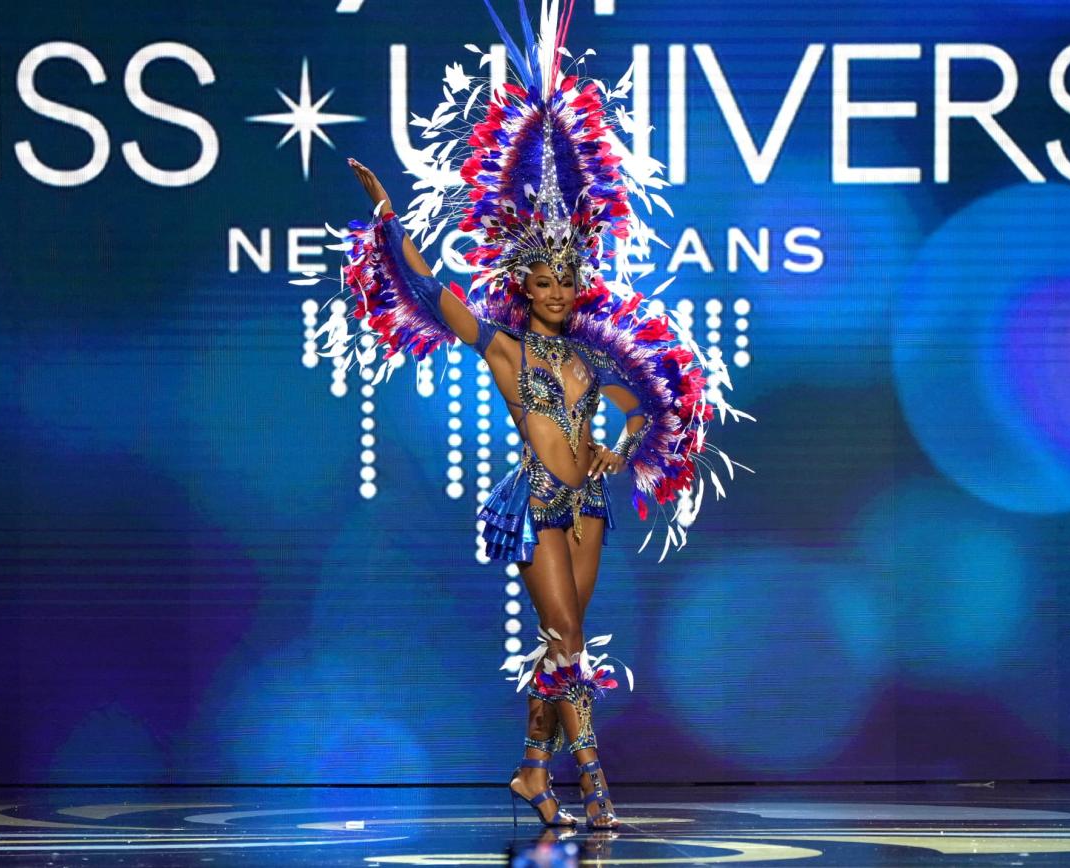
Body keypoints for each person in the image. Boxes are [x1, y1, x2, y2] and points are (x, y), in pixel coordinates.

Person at [318, 0, 752, 832]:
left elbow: (641, 409)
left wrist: (620, 452)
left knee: (562, 649)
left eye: (565, 281)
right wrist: (387, 220)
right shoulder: (504, 350)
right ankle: (595, 794)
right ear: (524, 285)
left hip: (586, 508)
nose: (555, 292)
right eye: (542, 281)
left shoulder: (591, 358)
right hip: (534, 508)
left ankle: (528, 772)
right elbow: (430, 286)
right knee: (566, 644)